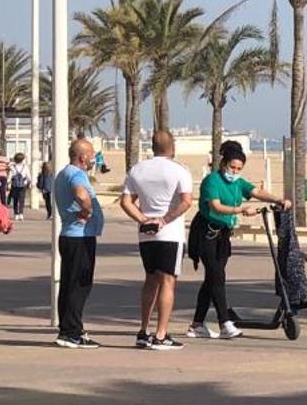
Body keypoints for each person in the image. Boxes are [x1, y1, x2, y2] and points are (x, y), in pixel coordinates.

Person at [187, 139, 292, 338]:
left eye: (238, 169)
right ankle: (225, 322)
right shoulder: (212, 181)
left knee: (213, 278)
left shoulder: (238, 183)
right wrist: (241, 209)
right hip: (205, 232)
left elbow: (256, 191)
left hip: (223, 234)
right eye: (232, 167)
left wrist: (279, 199)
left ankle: (197, 324)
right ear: (223, 163)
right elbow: (215, 206)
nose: (234, 172)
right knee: (217, 275)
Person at [120, 128, 194, 351]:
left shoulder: (137, 170)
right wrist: (164, 219)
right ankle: (161, 335)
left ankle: (144, 331)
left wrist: (144, 219)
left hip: (146, 235)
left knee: (150, 279)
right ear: (172, 148)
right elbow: (187, 201)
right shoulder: (180, 170)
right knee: (168, 281)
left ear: (152, 147)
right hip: (169, 234)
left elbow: (126, 202)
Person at [54, 136, 104, 348]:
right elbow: (81, 194)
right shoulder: (76, 174)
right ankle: (72, 331)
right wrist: (88, 210)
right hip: (79, 237)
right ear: (83, 157)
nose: (94, 159)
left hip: (70, 236)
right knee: (79, 285)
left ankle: (67, 328)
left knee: (68, 284)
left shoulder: (63, 173)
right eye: (92, 155)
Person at [9, 153, 30, 217]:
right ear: (22, 159)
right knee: (22, 199)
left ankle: (16, 214)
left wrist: (8, 183)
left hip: (14, 185)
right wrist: (29, 183)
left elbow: (9, 177)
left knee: (15, 199)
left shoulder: (12, 167)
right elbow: (29, 176)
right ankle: (21, 213)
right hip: (23, 185)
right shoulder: (25, 166)